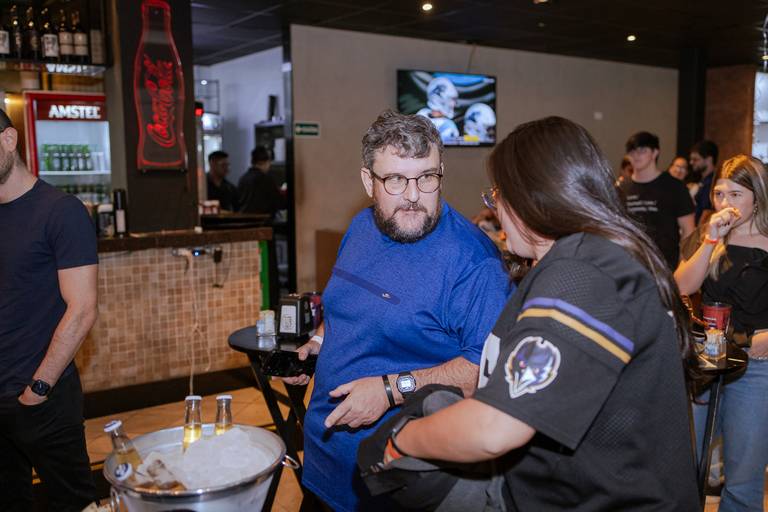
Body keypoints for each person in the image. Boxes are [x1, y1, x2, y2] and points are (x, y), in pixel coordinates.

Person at [371, 116, 700, 511]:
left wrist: (400, 440)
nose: (496, 209)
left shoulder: (584, 274)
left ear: (532, 197)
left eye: (498, 195)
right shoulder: (574, 263)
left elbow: (495, 427)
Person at [285, 110, 511, 511]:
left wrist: (391, 389)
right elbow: (345, 305)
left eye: (426, 178)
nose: (412, 195)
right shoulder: (360, 227)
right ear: (368, 181)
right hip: (323, 463)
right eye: (395, 180)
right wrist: (318, 343)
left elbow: (483, 372)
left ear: (441, 173)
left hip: (398, 480)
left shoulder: (474, 262)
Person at [0, 109, 98, 511]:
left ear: (9, 140)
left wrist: (38, 389)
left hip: (42, 398)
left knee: (72, 503)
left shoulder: (61, 210)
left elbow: (83, 309)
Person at [675, 154, 768, 511]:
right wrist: (711, 240)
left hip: (756, 364)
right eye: (719, 194)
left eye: (735, 195)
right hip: (707, 358)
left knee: (743, 478)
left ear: (757, 197)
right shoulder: (709, 235)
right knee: (684, 462)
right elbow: (681, 286)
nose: (724, 203)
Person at [619, 131, 695, 269]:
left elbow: (688, 229)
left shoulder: (675, 186)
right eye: (632, 151)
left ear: (655, 152)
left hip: (666, 265)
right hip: (629, 265)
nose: (636, 155)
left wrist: (683, 265)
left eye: (642, 150)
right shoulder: (621, 189)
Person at [237, 146, 285, 217]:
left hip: (244, 220)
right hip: (262, 220)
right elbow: (279, 202)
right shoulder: (266, 179)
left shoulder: (243, 178)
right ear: (265, 162)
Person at [416, 76, 460, 141]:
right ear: (441, 100)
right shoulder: (448, 126)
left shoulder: (421, 114)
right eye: (452, 99)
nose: (454, 104)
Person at [690, 139, 719, 225]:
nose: (691, 162)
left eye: (695, 159)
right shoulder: (703, 180)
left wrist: (698, 232)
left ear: (709, 159)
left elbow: (707, 212)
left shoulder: (711, 182)